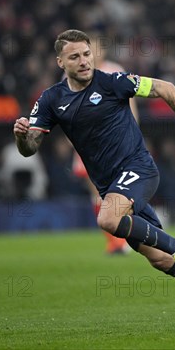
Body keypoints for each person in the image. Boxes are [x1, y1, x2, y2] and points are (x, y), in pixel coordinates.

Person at [13, 29, 175, 320]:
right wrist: (22, 136)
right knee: (161, 260)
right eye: (74, 57)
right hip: (110, 184)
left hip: (138, 169)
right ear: (60, 62)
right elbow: (30, 147)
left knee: (108, 218)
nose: (84, 61)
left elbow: (166, 88)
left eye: (86, 54)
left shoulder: (112, 82)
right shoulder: (52, 99)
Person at [71, 35, 137, 255]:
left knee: (119, 191)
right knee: (97, 193)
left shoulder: (113, 70)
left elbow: (130, 103)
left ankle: (125, 237)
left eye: (92, 49)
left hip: (116, 142)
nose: (89, 55)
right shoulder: (73, 74)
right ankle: (114, 241)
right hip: (88, 143)